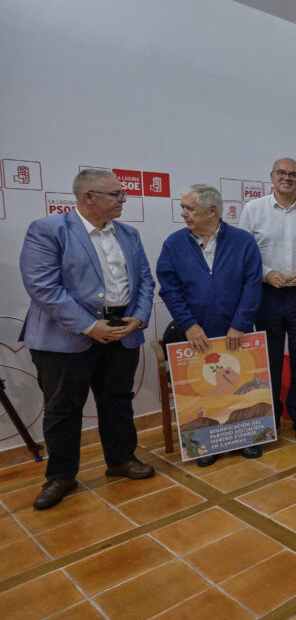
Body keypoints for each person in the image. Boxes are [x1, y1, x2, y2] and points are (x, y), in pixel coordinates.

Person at [20, 168, 156, 509]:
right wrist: (89, 326)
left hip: (122, 331)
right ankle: (61, 476)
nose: (123, 199)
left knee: (117, 400)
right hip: (65, 338)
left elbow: (144, 280)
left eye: (122, 193)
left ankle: (121, 460)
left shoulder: (129, 234)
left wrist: (139, 317)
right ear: (88, 197)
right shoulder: (49, 230)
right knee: (63, 409)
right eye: (116, 194)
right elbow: (43, 286)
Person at [157, 184, 264, 467]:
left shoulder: (243, 241)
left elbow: (253, 285)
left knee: (240, 385)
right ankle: (208, 445)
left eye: (189, 208)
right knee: (204, 391)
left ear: (212, 211)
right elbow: (169, 288)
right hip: (196, 334)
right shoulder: (174, 244)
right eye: (183, 208)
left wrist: (240, 324)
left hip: (236, 332)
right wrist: (189, 325)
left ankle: (246, 439)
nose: (183, 214)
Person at [239, 157, 296, 440]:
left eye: (293, 174)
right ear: (272, 176)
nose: (287, 178)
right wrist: (266, 274)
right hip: (266, 295)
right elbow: (244, 253)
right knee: (270, 361)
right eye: (281, 172)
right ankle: (272, 417)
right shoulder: (253, 209)